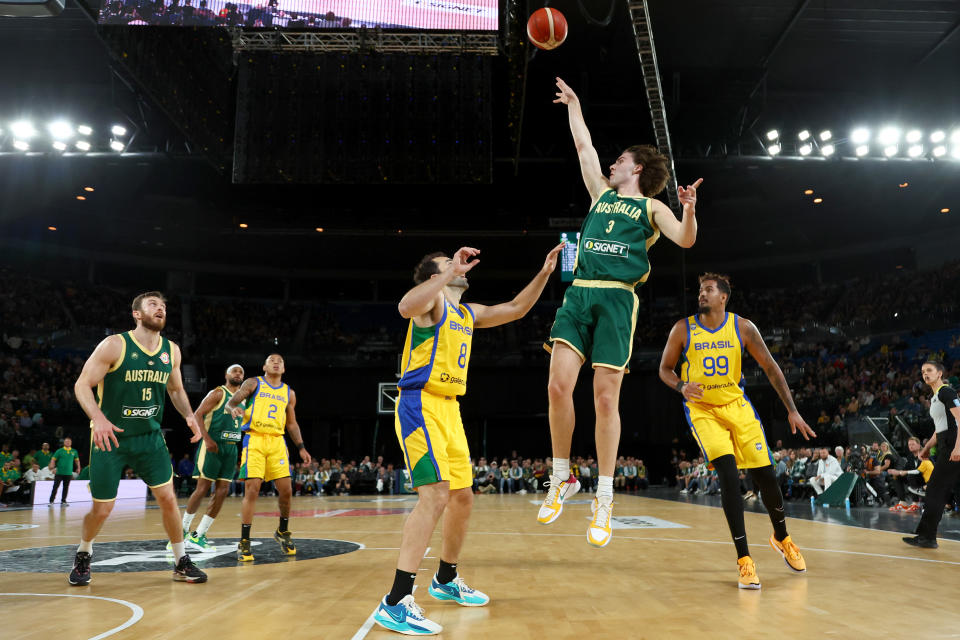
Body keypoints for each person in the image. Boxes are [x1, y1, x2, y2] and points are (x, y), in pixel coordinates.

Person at [538, 76, 703, 548]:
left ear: (637, 169)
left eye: (620, 160)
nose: (612, 163)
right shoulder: (600, 195)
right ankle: (562, 477)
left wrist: (688, 210)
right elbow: (583, 144)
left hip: (616, 298)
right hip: (579, 293)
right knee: (557, 386)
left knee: (605, 399)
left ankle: (605, 497)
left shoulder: (651, 209)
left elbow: (685, 239)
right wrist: (575, 104)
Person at [373, 243, 563, 635]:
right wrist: (444, 274)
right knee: (436, 495)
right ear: (434, 276)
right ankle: (395, 601)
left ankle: (445, 579)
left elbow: (515, 309)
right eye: (448, 265)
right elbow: (405, 307)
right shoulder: (432, 305)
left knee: (462, 496)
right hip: (418, 405)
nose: (460, 266)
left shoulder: (465, 312)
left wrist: (543, 273)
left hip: (450, 410)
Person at [658, 273, 816, 589]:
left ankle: (782, 536)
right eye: (700, 290)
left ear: (723, 297)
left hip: (737, 406)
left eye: (708, 290)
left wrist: (792, 410)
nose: (702, 294)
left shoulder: (742, 326)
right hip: (703, 410)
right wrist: (681, 386)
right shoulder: (682, 328)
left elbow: (771, 366)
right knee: (729, 477)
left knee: (766, 477)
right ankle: (744, 560)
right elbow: (664, 369)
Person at [70, 291, 207, 586]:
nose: (160, 309)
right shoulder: (115, 345)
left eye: (163, 306)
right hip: (111, 438)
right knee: (102, 508)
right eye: (153, 305)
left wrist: (190, 415)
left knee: (168, 498)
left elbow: (176, 390)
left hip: (150, 437)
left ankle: (181, 560)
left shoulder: (172, 350)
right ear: (137, 313)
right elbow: (82, 384)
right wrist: (98, 417)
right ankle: (84, 552)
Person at [226, 354, 312, 562]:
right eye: (272, 360)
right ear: (264, 365)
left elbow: (291, 424)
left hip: (277, 442)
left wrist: (301, 447)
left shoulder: (288, 393)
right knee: (252, 489)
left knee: (286, 492)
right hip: (254, 439)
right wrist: (233, 409)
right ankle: (244, 541)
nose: (276, 362)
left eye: (280, 361)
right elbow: (231, 402)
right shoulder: (253, 383)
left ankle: (282, 531)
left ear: (284, 368)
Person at [180, 364, 247, 551]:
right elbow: (198, 414)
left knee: (223, 491)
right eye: (234, 370)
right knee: (202, 488)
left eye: (241, 372)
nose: (238, 374)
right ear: (226, 374)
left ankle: (199, 535)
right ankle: (181, 531)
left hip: (231, 448)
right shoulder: (218, 393)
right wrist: (207, 439)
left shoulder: (244, 399)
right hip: (212, 446)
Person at [903, 361, 960, 548]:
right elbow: (940, 429)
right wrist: (926, 447)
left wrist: (958, 448)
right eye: (922, 371)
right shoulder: (935, 396)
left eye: (929, 370)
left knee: (935, 490)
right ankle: (925, 534)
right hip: (945, 442)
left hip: (953, 444)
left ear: (940, 373)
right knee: (938, 490)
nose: (925, 374)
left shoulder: (946, 392)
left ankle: (927, 537)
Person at [48, 437, 80, 505]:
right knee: (55, 487)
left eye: (69, 442)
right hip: (59, 472)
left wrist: (79, 468)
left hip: (68, 473)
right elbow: (53, 459)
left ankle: (63, 501)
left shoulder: (74, 451)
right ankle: (51, 501)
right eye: (66, 441)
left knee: (66, 488)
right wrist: (52, 466)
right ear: (64, 443)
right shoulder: (59, 451)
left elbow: (77, 461)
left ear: (71, 443)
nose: (68, 443)